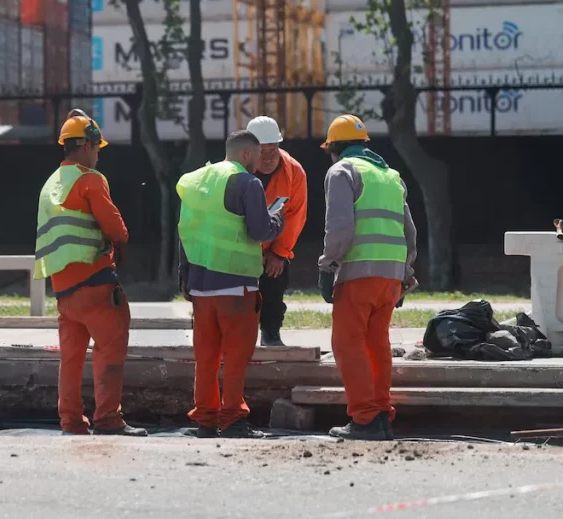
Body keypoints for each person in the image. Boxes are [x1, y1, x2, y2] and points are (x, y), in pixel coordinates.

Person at [33, 110, 146, 437]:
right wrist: (121, 240)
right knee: (111, 347)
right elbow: (115, 226)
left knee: (70, 359)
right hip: (95, 282)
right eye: (97, 148)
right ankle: (108, 420)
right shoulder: (90, 179)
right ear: (85, 147)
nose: (98, 154)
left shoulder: (50, 183)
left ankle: (71, 421)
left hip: (64, 290)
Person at [177, 130, 285, 439]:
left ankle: (206, 420)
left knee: (206, 358)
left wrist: (184, 276)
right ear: (247, 155)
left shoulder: (196, 181)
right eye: (257, 157)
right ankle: (234, 419)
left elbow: (185, 232)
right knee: (236, 358)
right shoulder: (247, 182)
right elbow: (260, 230)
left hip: (200, 286)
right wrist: (278, 219)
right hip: (236, 285)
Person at [318, 115, 417, 441]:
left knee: (347, 343)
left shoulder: (342, 172)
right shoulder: (391, 176)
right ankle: (381, 414)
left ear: (334, 148)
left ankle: (364, 419)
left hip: (359, 273)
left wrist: (328, 266)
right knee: (376, 343)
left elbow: (340, 229)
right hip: (390, 276)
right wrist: (405, 274)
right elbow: (409, 231)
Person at [245, 116, 308, 347]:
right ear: (249, 150)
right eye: (264, 151)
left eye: (274, 149)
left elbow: (295, 216)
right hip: (240, 247)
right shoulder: (234, 171)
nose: (270, 157)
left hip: (272, 246)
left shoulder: (294, 172)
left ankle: (271, 332)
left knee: (275, 280)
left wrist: (279, 253)